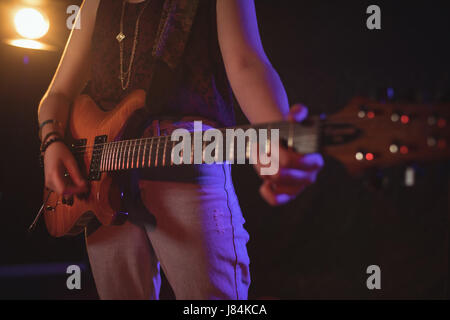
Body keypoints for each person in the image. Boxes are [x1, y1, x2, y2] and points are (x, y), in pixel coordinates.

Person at [37, 0, 324, 299]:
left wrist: (276, 136)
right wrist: (52, 142)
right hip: (101, 182)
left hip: (184, 155)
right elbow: (56, 93)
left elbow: (246, 63)